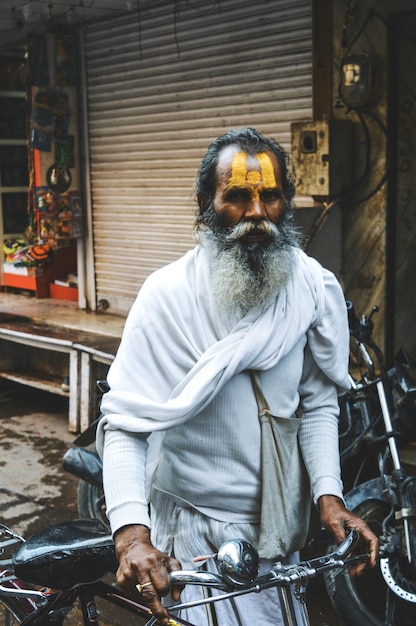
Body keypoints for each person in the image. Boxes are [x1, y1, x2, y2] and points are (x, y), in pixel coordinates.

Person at [97, 127, 379, 625]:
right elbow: (125, 424)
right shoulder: (166, 296)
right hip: (193, 539)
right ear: (206, 203)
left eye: (270, 197)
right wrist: (133, 538)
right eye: (238, 197)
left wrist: (329, 499)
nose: (255, 214)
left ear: (286, 203)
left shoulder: (310, 287)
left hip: (279, 535)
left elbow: (317, 404)